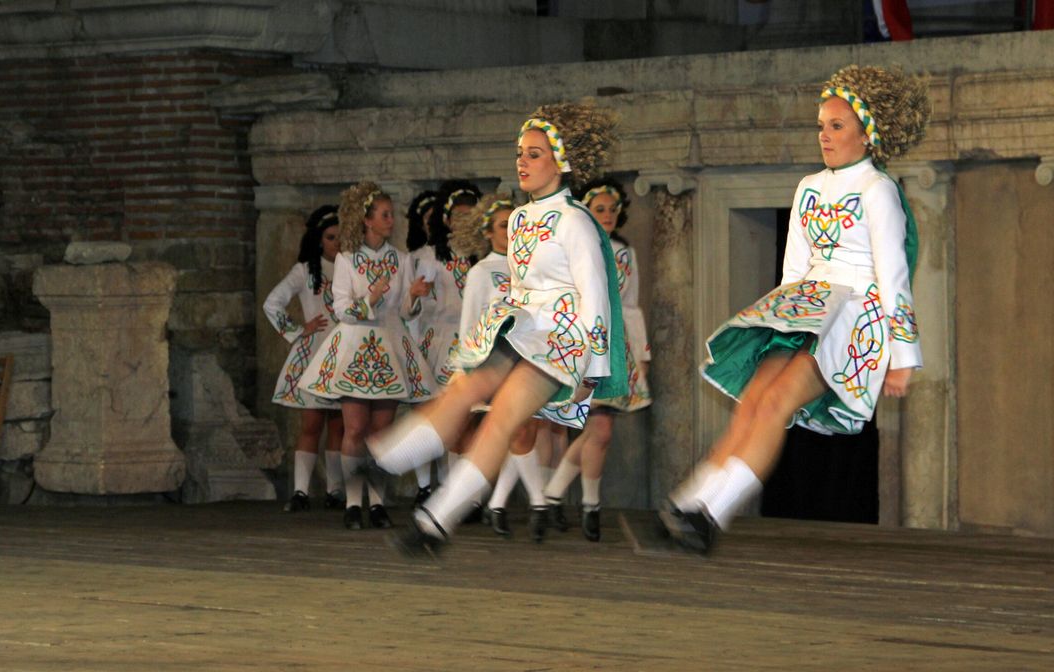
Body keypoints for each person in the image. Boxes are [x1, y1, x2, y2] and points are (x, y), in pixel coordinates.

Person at [660, 65, 930, 553]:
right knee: (757, 400)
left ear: (868, 136)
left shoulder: (878, 189)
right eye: (821, 125)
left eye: (837, 125)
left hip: (852, 318)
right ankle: (693, 499)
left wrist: (902, 353)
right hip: (804, 307)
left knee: (779, 402)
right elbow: (795, 270)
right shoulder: (809, 185)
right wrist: (775, 318)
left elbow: (892, 275)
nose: (825, 135)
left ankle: (714, 511)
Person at [368, 103, 627, 553]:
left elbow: (595, 296)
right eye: (519, 153)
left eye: (533, 154)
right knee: (462, 392)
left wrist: (593, 369)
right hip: (521, 326)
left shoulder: (575, 221)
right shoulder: (523, 219)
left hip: (561, 339)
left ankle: (436, 523)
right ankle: (381, 462)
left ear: (560, 162)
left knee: (501, 421)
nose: (521, 162)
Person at [303, 182, 435, 530]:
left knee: (381, 431)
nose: (391, 220)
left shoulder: (401, 259)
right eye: (385, 214)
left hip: (389, 347)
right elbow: (341, 309)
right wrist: (370, 300)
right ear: (366, 220)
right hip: (356, 348)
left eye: (391, 214)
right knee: (355, 427)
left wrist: (415, 296)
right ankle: (351, 503)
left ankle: (377, 503)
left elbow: (406, 313)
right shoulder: (347, 259)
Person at [543, 177, 652, 541]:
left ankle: (555, 496)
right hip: (583, 346)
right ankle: (587, 506)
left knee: (597, 431)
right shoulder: (574, 246)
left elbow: (631, 304)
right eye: (599, 209)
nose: (607, 215)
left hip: (616, 346)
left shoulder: (624, 251)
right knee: (599, 430)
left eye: (612, 209)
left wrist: (641, 350)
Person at [449, 193, 558, 539]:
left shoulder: (530, 269)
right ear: (489, 232)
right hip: (495, 362)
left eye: (516, 224)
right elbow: (470, 325)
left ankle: (498, 504)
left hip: (529, 361)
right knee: (519, 431)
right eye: (502, 226)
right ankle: (538, 503)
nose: (511, 232)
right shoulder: (482, 272)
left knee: (525, 431)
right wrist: (468, 370)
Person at [262, 205, 346, 512]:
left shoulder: (351, 268)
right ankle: (300, 491)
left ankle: (336, 490)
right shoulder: (304, 271)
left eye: (341, 237)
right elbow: (272, 303)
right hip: (314, 352)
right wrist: (298, 330)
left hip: (343, 352)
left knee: (339, 425)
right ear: (319, 239)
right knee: (311, 424)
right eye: (331, 237)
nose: (336, 242)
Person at [403, 185, 481, 506]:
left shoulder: (482, 257)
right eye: (459, 217)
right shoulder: (429, 257)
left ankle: (456, 491)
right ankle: (425, 486)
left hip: (471, 343)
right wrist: (413, 296)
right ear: (447, 220)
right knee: (431, 415)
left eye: (471, 217)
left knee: (463, 418)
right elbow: (409, 308)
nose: (464, 223)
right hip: (436, 342)